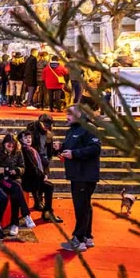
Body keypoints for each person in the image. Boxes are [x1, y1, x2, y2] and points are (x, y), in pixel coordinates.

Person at [55, 106, 101, 252]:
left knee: (81, 207)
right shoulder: (72, 130)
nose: (67, 117)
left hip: (85, 175)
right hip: (76, 174)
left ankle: (78, 239)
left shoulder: (89, 128)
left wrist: (74, 154)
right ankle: (87, 236)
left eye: (70, 114)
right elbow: (70, 148)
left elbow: (95, 149)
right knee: (85, 205)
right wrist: (61, 148)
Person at [18, 130, 62, 223]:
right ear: (21, 140)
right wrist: (42, 176)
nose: (28, 139)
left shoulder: (30, 149)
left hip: (34, 178)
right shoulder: (24, 150)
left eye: (29, 137)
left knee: (48, 186)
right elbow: (31, 167)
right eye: (25, 138)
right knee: (49, 187)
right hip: (29, 181)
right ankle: (47, 213)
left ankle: (47, 212)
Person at [0, 134, 35, 236]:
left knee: (15, 192)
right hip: (3, 180)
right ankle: (25, 215)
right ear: (4, 144)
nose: (11, 148)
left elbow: (22, 167)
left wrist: (17, 170)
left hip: (15, 179)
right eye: (9, 146)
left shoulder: (18, 152)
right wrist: (7, 170)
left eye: (13, 146)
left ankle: (15, 224)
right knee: (17, 189)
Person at [26, 113, 54, 210]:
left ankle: (40, 201)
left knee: (44, 180)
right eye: (45, 125)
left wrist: (49, 157)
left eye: (48, 126)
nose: (46, 127)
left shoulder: (49, 131)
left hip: (44, 157)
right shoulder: (32, 129)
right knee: (36, 180)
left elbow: (49, 144)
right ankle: (37, 201)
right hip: (34, 157)